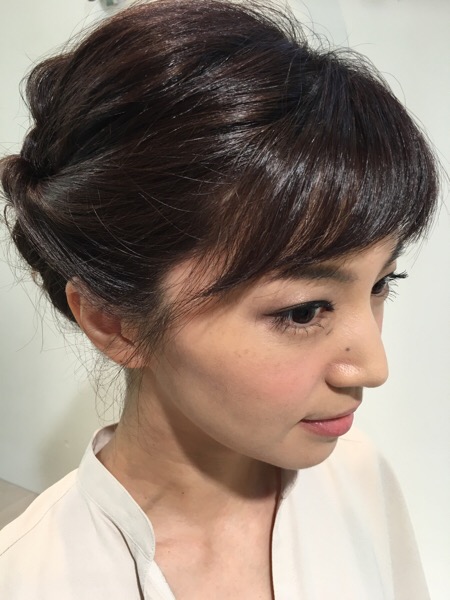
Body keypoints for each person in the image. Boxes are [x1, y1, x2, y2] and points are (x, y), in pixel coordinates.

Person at [0, 0, 439, 598]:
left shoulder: (357, 474)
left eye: (382, 283)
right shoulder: (29, 579)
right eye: (303, 311)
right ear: (114, 321)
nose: (373, 367)